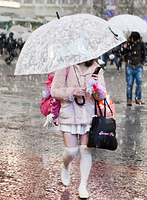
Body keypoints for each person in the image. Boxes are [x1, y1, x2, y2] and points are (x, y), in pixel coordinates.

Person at [51, 59, 106, 198]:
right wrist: (73, 91)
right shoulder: (65, 66)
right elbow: (54, 91)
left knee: (85, 151)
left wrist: (96, 89)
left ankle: (83, 185)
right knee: (71, 151)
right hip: (69, 113)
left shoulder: (96, 68)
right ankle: (65, 166)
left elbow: (102, 95)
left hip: (88, 115)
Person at [122, 31, 146, 106]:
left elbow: (144, 53)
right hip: (129, 66)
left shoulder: (141, 44)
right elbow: (122, 53)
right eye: (134, 39)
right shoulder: (127, 43)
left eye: (136, 40)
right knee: (129, 84)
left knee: (139, 82)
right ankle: (129, 100)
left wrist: (142, 62)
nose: (135, 41)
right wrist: (124, 48)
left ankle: (138, 99)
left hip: (138, 66)